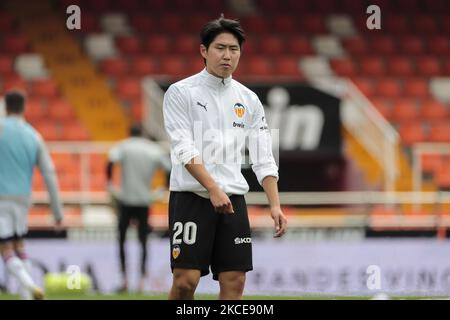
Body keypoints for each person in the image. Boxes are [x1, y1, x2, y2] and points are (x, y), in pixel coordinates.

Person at [163, 16, 288, 300]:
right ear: (203, 51)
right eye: (220, 48)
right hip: (191, 197)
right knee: (185, 282)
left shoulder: (249, 99)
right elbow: (183, 148)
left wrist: (275, 205)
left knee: (235, 281)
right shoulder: (180, 92)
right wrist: (212, 188)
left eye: (234, 49)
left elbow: (263, 156)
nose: (227, 56)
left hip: (233, 198)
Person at [0, 90, 64, 300]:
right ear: (23, 108)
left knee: (6, 249)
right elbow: (49, 173)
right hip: (22, 199)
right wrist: (57, 212)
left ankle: (30, 285)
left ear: (6, 106)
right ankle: (27, 296)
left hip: (1, 198)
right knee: (20, 246)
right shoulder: (33, 135)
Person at [107, 124, 171, 293]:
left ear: (130, 133)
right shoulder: (152, 149)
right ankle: (142, 282)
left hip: (126, 200)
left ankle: (125, 280)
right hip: (144, 201)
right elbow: (168, 168)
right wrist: (163, 188)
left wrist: (110, 185)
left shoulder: (124, 146)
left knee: (121, 240)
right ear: (142, 134)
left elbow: (110, 162)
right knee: (143, 242)